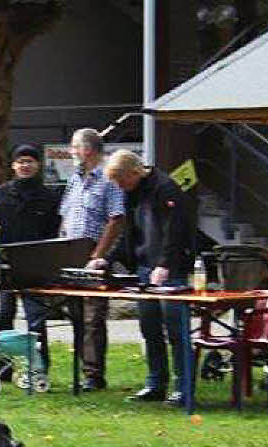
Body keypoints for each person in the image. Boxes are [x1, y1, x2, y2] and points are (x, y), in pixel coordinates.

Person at [103, 149, 194, 406]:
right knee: (150, 327)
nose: (120, 186)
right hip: (144, 268)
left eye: (122, 181)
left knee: (176, 330)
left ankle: (183, 388)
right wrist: (107, 259)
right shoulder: (132, 192)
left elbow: (174, 231)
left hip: (170, 270)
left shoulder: (165, 188)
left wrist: (165, 265)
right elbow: (129, 233)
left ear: (134, 172)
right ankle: (156, 383)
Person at [0, 143, 61, 383]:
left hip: (36, 266)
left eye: (30, 161)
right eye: (21, 162)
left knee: (36, 319)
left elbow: (56, 233)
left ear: (37, 165)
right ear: (13, 166)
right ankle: (3, 368)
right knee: (5, 315)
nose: (25, 166)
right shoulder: (1, 193)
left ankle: (39, 369)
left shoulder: (49, 196)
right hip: (6, 264)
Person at [59, 128, 126, 392]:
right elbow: (65, 215)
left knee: (93, 318)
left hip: (95, 259)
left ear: (87, 150)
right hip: (71, 256)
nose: (71, 152)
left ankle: (94, 374)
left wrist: (99, 256)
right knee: (76, 315)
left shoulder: (109, 178)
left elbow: (117, 219)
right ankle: (82, 368)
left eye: (74, 147)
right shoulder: (75, 179)